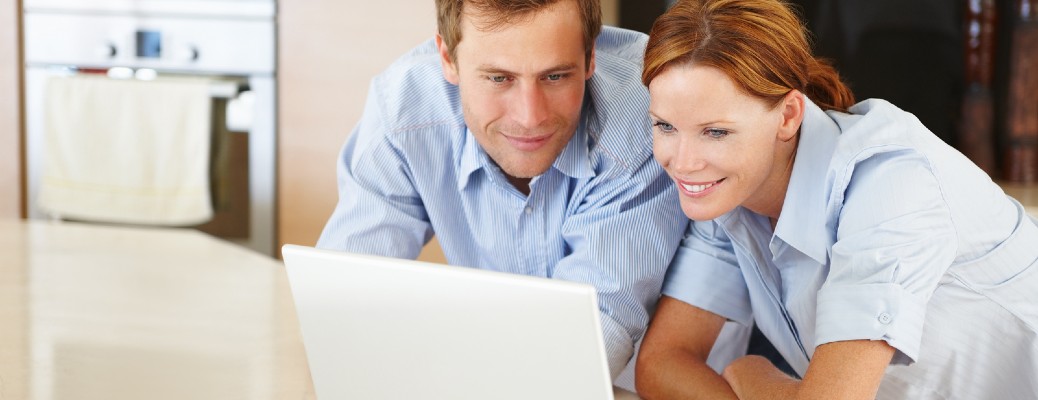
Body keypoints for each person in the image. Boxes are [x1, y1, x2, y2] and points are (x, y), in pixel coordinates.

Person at [634, 0, 1038, 399]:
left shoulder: (889, 184)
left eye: (716, 132)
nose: (683, 163)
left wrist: (749, 371)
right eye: (665, 126)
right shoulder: (728, 190)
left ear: (788, 116)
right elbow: (661, 365)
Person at [316, 0, 692, 377]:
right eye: (499, 78)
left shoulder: (648, 110)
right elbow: (341, 300)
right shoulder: (404, 111)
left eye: (555, 76)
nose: (529, 117)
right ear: (447, 58)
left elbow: (588, 334)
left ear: (591, 55)